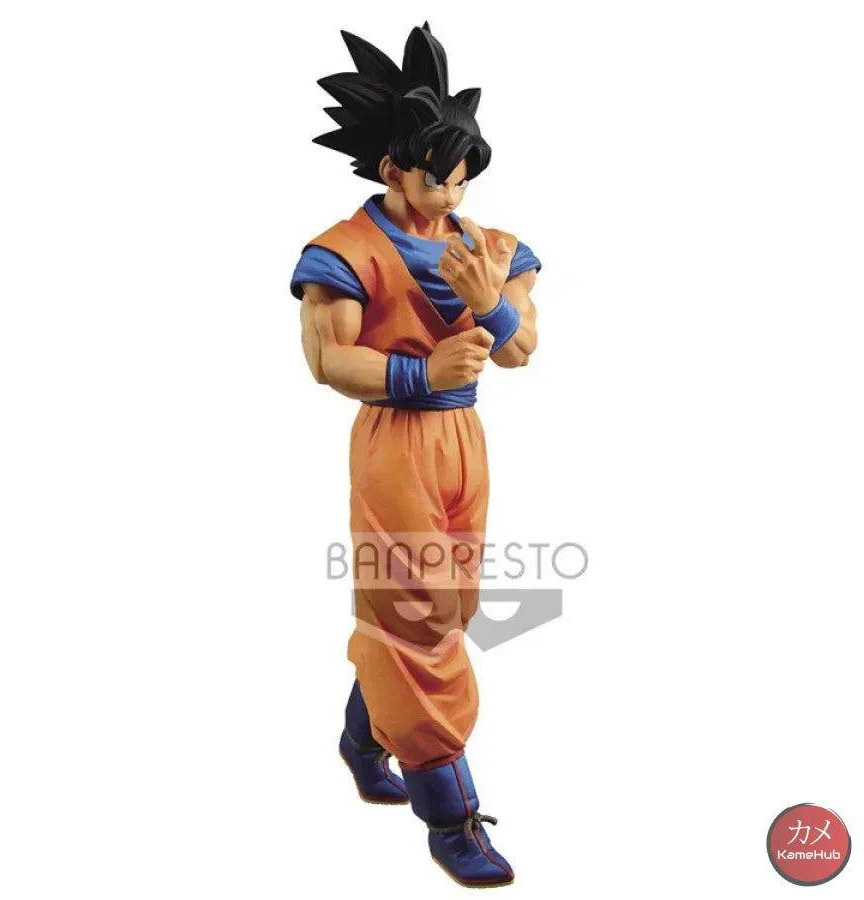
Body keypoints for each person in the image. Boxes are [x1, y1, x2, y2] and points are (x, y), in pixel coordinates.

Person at [289, 22, 541, 888]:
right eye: (438, 176)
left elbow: (521, 350)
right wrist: (420, 371)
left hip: (464, 440)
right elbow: (328, 360)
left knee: (448, 607)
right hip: (395, 439)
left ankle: (363, 739)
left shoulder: (490, 247)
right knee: (418, 616)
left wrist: (491, 305)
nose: (453, 192)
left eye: (465, 175)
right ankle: (449, 812)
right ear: (392, 169)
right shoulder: (344, 252)